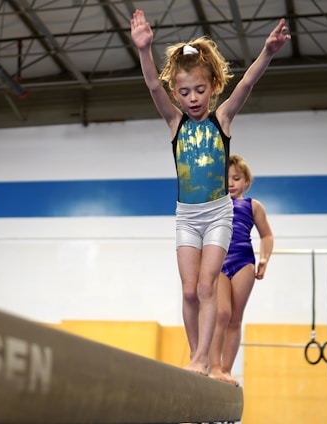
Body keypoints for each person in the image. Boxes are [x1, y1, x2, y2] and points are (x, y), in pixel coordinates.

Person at [130, 10, 289, 375]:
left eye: (200, 90)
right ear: (177, 94)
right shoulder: (174, 123)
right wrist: (144, 49)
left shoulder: (222, 121)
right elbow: (154, 86)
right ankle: (195, 356)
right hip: (186, 216)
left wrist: (266, 52)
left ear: (214, 87)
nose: (193, 98)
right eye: (184, 92)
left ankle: (204, 358)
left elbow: (246, 84)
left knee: (206, 289)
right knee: (188, 291)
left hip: (219, 214)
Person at [208, 154, 274, 385]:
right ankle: (214, 366)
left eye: (236, 178)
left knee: (235, 319)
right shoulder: (213, 204)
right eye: (225, 179)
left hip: (243, 260)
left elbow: (266, 234)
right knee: (221, 313)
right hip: (218, 260)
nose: (231, 183)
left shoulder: (253, 206)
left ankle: (226, 369)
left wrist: (264, 258)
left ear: (246, 180)